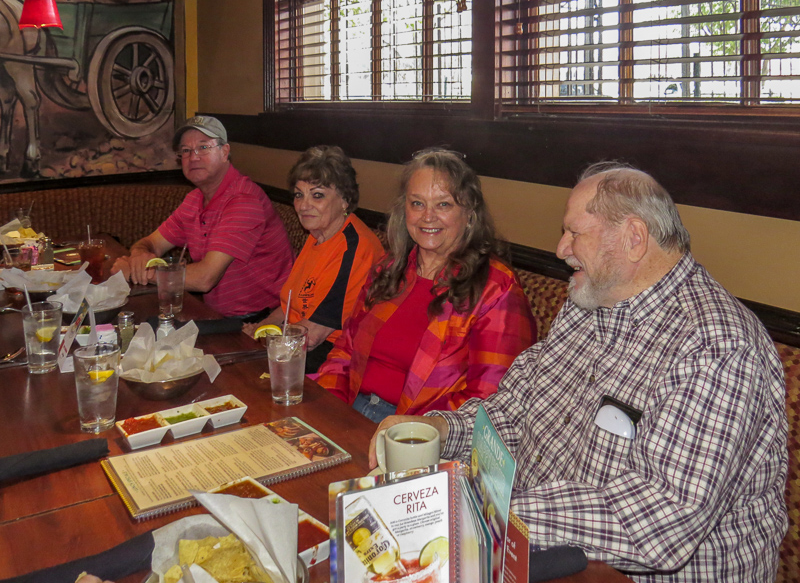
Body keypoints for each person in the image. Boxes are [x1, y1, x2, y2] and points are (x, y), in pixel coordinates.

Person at [369, 162, 789, 582]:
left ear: (634, 239)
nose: (560, 248)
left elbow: (659, 520)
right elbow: (516, 409)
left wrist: (477, 508)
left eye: (575, 233)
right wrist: (438, 431)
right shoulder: (588, 302)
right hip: (545, 551)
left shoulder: (718, 346)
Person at [316, 148, 536, 422]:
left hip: (425, 436)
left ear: (469, 213)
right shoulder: (389, 268)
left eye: (443, 204)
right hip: (352, 409)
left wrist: (413, 432)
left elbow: (493, 400)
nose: (427, 216)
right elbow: (345, 351)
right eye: (417, 203)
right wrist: (327, 410)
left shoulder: (497, 289)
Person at [111, 115, 294, 319]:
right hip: (216, 314)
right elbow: (149, 243)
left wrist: (143, 273)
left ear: (225, 152)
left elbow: (205, 278)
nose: (194, 157)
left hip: (259, 322)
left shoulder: (243, 201)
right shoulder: (194, 200)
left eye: (203, 147)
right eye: (186, 151)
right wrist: (139, 257)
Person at [243, 146, 385, 372]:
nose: (303, 205)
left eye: (317, 195)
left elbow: (313, 337)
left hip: (336, 359)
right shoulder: (317, 235)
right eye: (299, 194)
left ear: (344, 200)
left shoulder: (355, 249)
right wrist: (259, 328)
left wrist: (263, 343)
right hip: (296, 342)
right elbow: (290, 307)